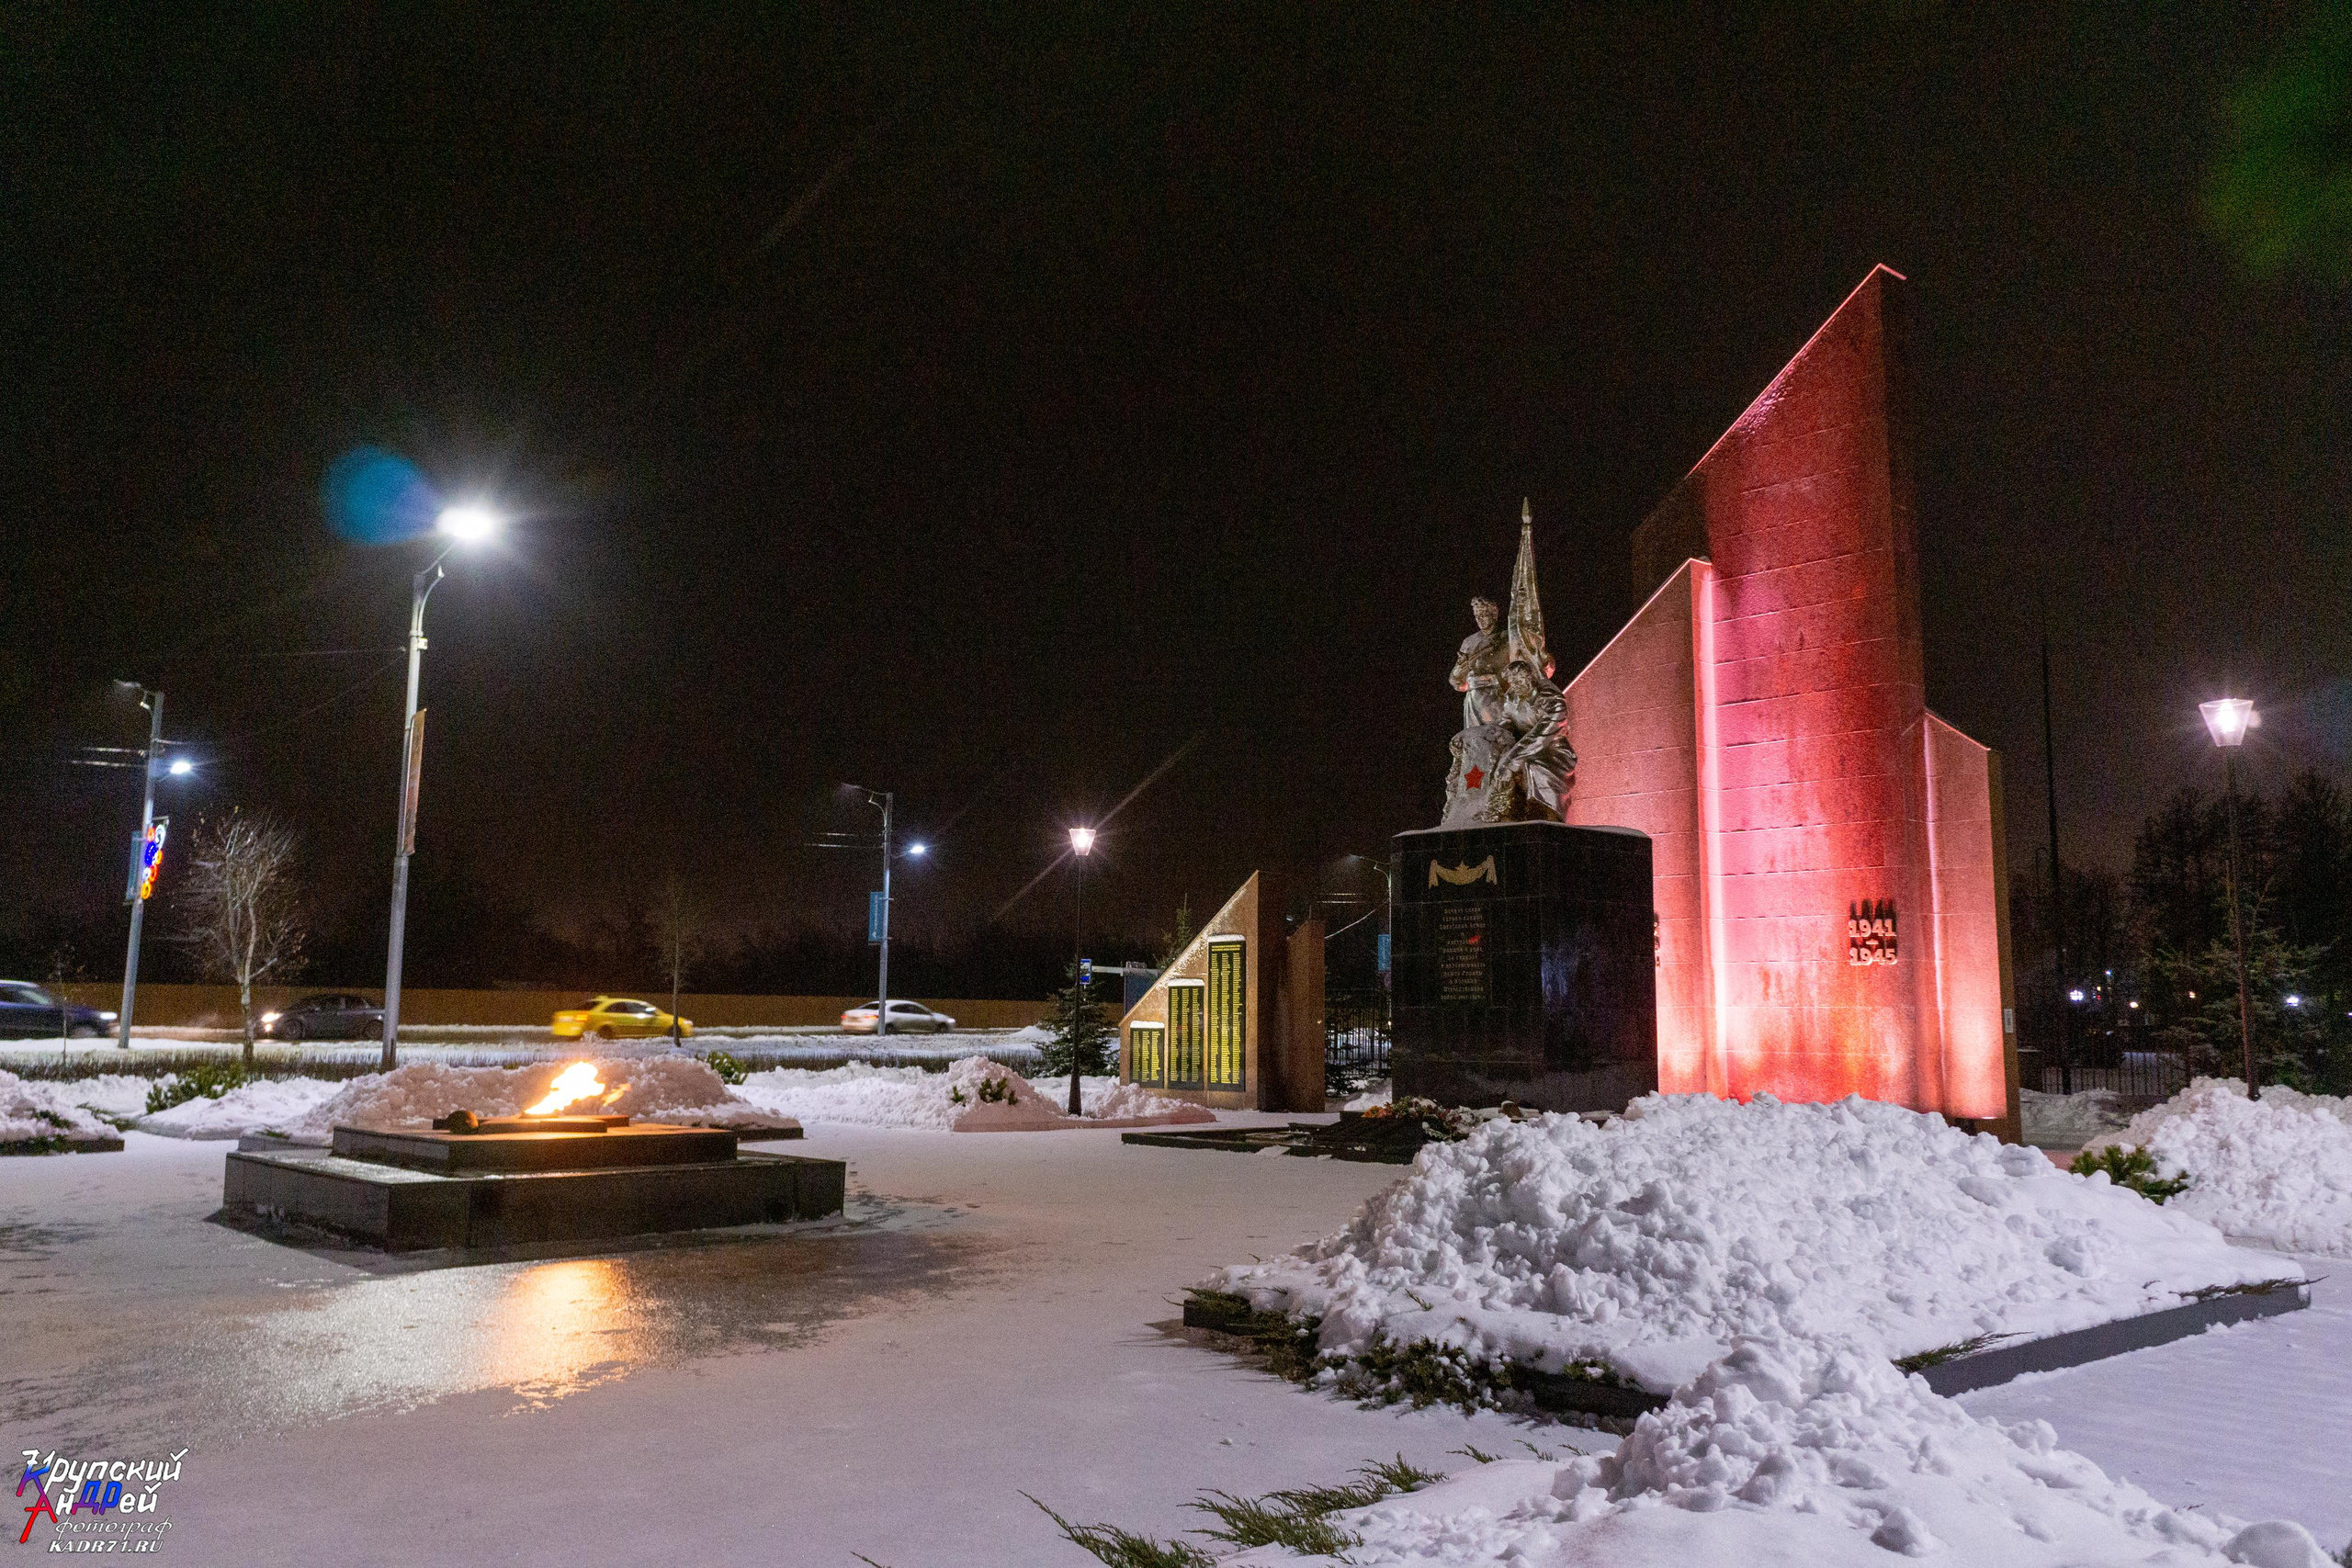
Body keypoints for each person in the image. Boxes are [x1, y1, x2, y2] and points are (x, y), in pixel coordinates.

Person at [1483, 660, 1577, 820]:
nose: (1516, 686)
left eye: (1519, 681)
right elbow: (1506, 723)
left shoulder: (1553, 702)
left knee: (1532, 766)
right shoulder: (1511, 698)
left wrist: (1511, 762)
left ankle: (1544, 816)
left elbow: (1540, 736)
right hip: (1520, 751)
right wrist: (1493, 737)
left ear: (1530, 678)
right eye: (1512, 683)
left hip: (1553, 753)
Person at [1449, 595, 1509, 729]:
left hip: (1498, 699)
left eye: (1483, 614)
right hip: (1474, 701)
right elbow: (1456, 682)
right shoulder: (1469, 643)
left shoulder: (1507, 637)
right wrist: (1460, 667)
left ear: (1494, 614)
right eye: (1476, 615)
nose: (1479, 619)